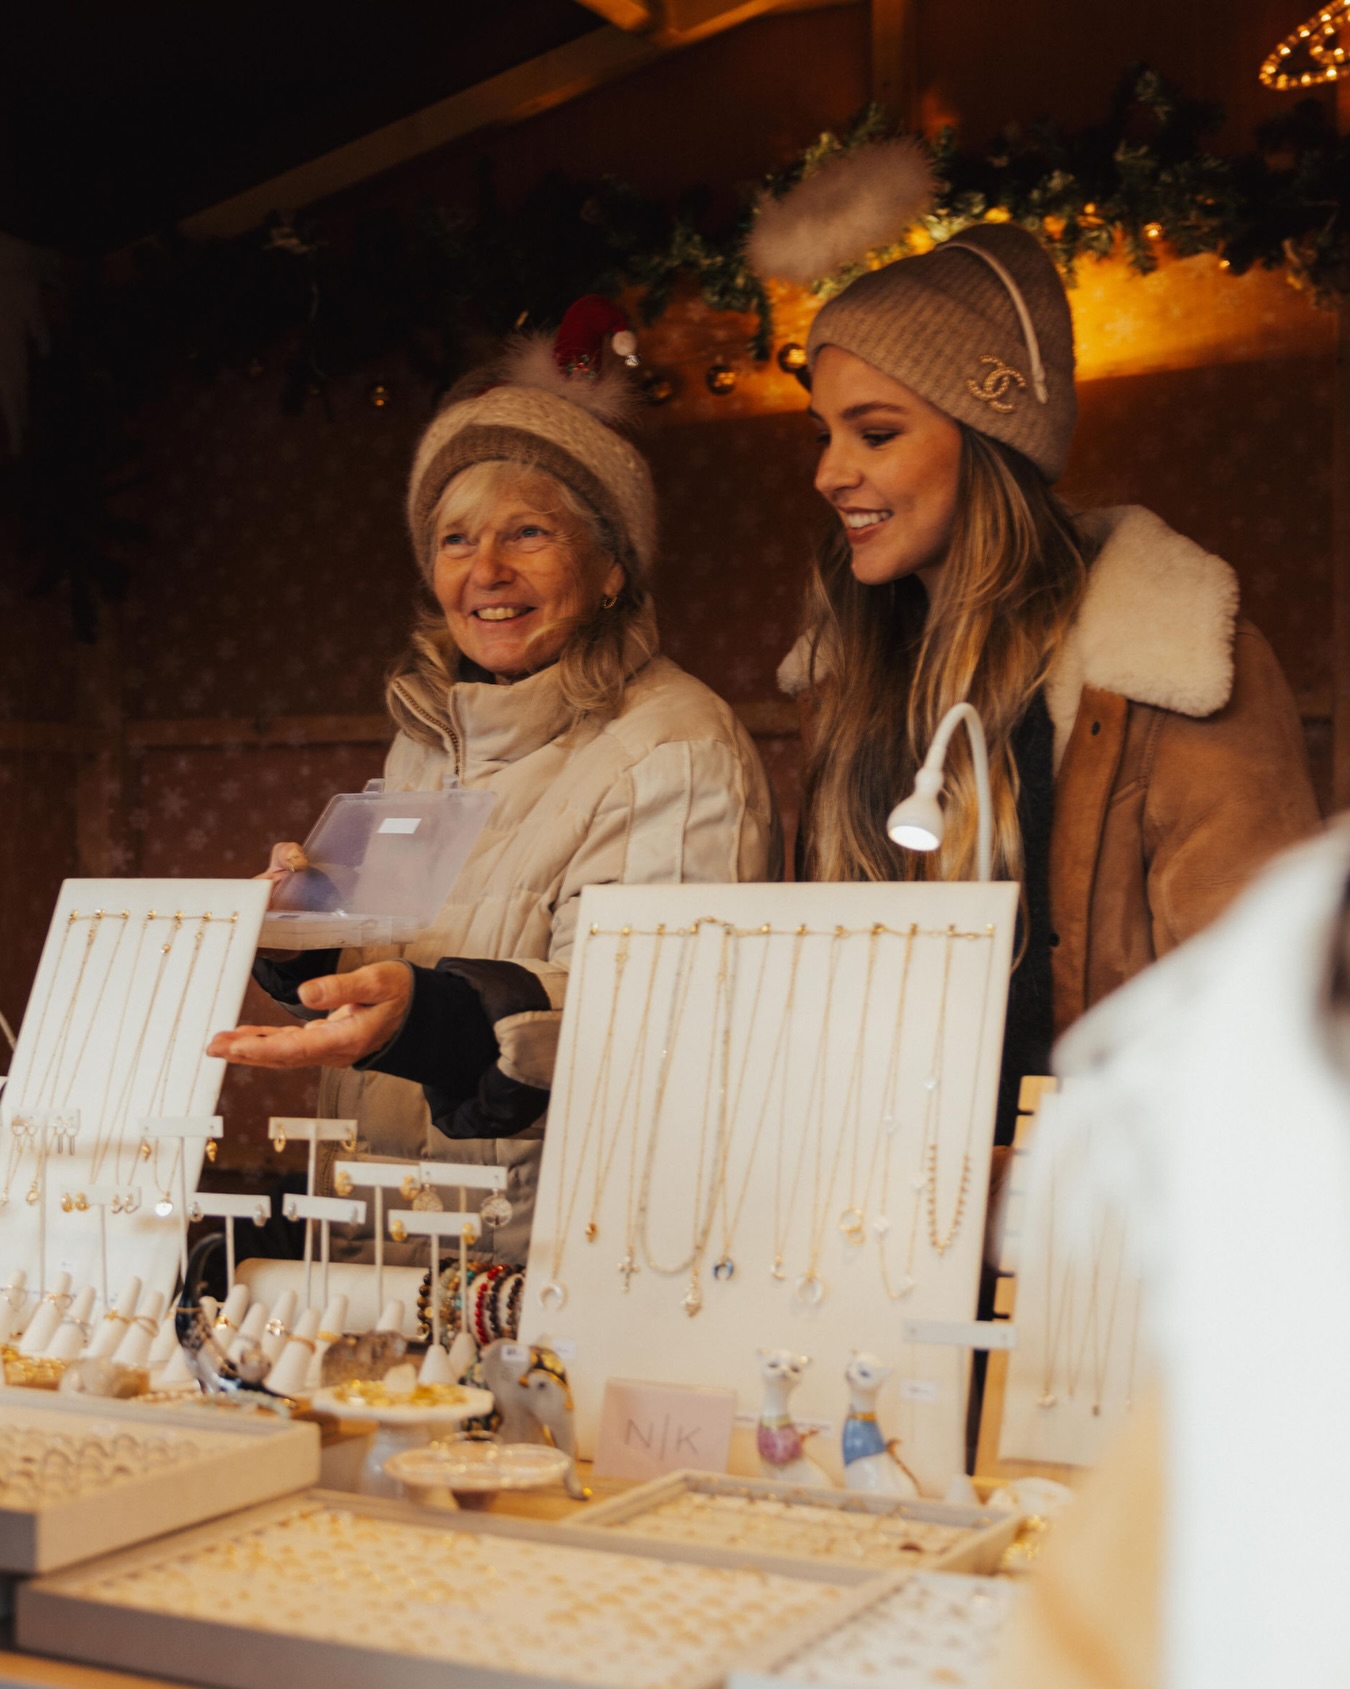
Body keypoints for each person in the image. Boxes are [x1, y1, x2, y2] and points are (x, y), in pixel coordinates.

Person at [209, 299, 780, 1262]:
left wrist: (428, 1017)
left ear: (610, 568)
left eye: (529, 533)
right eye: (456, 538)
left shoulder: (675, 749)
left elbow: (650, 1022)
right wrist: (306, 947)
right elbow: (385, 978)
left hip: (545, 1261)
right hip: (375, 1240)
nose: (486, 570)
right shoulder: (429, 741)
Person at [777, 223, 1320, 1136]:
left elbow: (1265, 1012)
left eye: (875, 431)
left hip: (1089, 1236)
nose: (831, 473)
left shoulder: (1164, 664)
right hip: (878, 1220)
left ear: (990, 439)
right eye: (825, 434)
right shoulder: (849, 679)